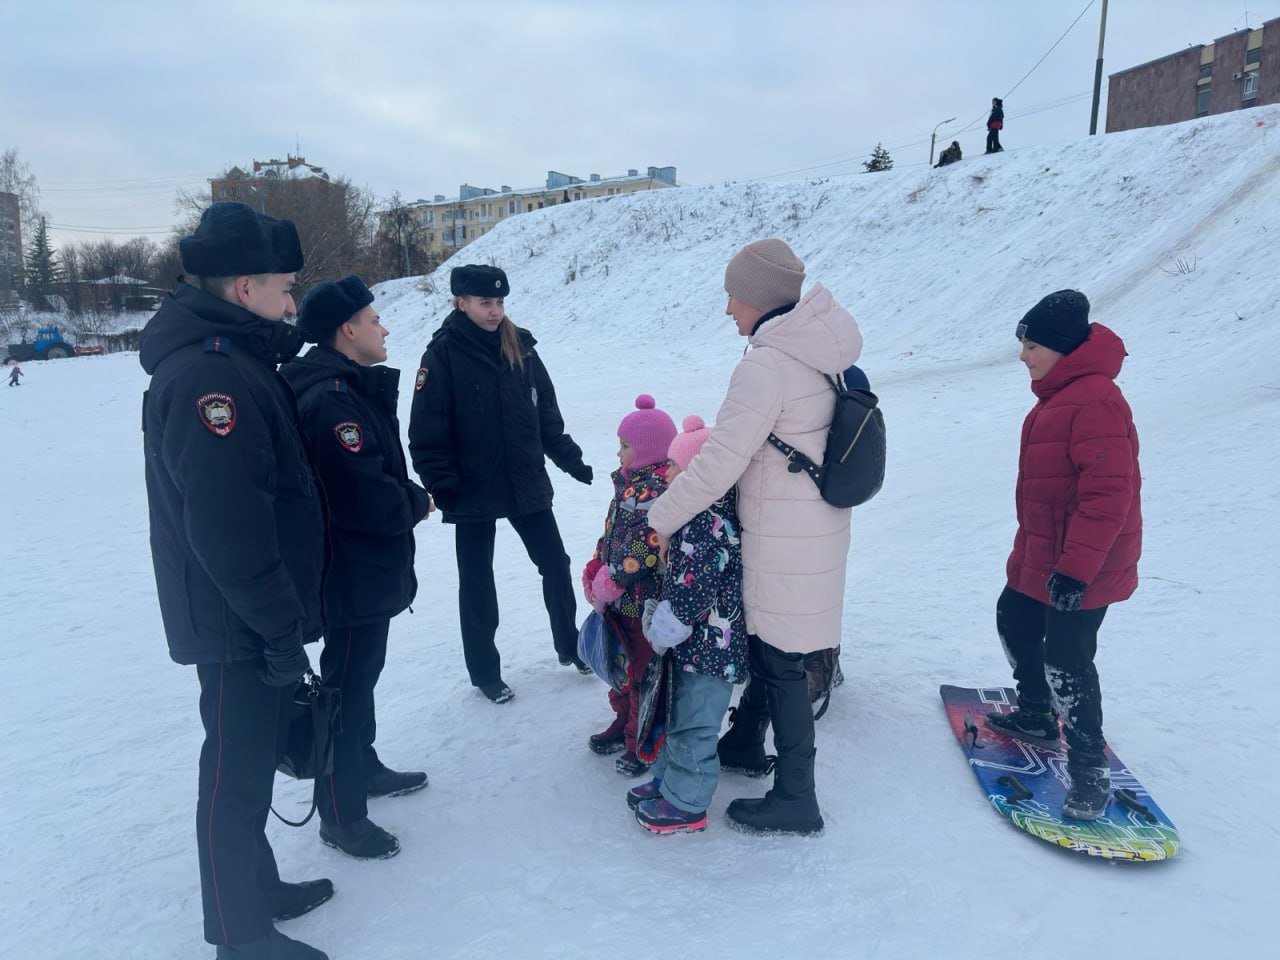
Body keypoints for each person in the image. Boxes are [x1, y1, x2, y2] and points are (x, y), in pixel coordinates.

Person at [139, 201, 330, 960]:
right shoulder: (209, 377)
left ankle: (259, 886)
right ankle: (239, 932)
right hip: (235, 616)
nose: (292, 303)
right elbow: (226, 523)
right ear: (245, 286)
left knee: (247, 762)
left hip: (251, 609)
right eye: (285, 287)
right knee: (234, 774)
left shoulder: (236, 360)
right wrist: (277, 625)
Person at [647, 238, 863, 837]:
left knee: (782, 662)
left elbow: (719, 461)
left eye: (733, 297)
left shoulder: (767, 364)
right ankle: (744, 743)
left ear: (760, 300)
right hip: (814, 523)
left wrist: (660, 518)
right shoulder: (822, 349)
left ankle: (798, 797)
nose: (727, 311)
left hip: (783, 533)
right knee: (775, 649)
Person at [282, 275, 432, 861]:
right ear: (348, 330)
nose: (384, 327)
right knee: (344, 688)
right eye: (374, 320)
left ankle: (361, 768)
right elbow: (361, 495)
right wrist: (415, 502)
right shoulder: (331, 399)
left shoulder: (343, 387)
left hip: (361, 571)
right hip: (347, 573)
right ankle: (341, 816)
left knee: (359, 679)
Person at [984, 290, 1142, 821]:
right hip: (1044, 551)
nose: (1024, 355)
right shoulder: (1060, 396)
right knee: (1015, 618)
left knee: (1068, 661)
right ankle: (1034, 713)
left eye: (1032, 345)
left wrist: (1076, 570)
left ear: (1061, 347)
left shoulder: (1093, 399)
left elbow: (1107, 496)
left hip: (1085, 563)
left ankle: (1089, 767)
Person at [408, 264, 594, 703]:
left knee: (555, 563)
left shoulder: (522, 348)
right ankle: (485, 672)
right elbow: (426, 432)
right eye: (484, 303)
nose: (494, 311)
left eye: (499, 302)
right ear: (461, 302)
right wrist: (443, 484)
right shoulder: (442, 355)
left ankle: (570, 646)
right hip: (470, 487)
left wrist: (570, 459)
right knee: (476, 581)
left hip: (524, 480)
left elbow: (545, 415)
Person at [628, 415, 749, 833]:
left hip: (713, 647)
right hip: (695, 646)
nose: (667, 472)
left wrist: (666, 625)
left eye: (676, 466)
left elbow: (694, 590)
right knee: (678, 715)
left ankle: (688, 802)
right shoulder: (695, 513)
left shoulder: (707, 520)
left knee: (696, 724)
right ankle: (668, 780)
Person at [582, 395, 676, 776]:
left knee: (641, 674)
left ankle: (640, 740)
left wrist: (615, 578)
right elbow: (613, 533)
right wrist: (597, 564)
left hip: (642, 602)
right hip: (618, 600)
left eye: (625, 446)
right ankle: (623, 722)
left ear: (648, 450)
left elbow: (650, 544)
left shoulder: (660, 491)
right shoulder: (626, 486)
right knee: (617, 666)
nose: (619, 453)